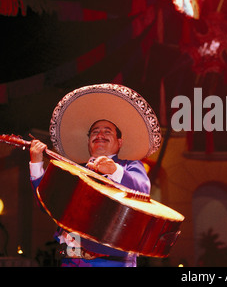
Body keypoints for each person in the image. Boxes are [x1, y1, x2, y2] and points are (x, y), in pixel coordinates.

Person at [29, 84, 161, 267]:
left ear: (119, 142)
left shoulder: (129, 165)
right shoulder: (75, 170)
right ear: (89, 140)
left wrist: (114, 170)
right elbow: (48, 203)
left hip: (112, 262)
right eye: (95, 131)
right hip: (70, 258)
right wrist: (36, 163)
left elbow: (143, 190)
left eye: (108, 131)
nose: (100, 134)